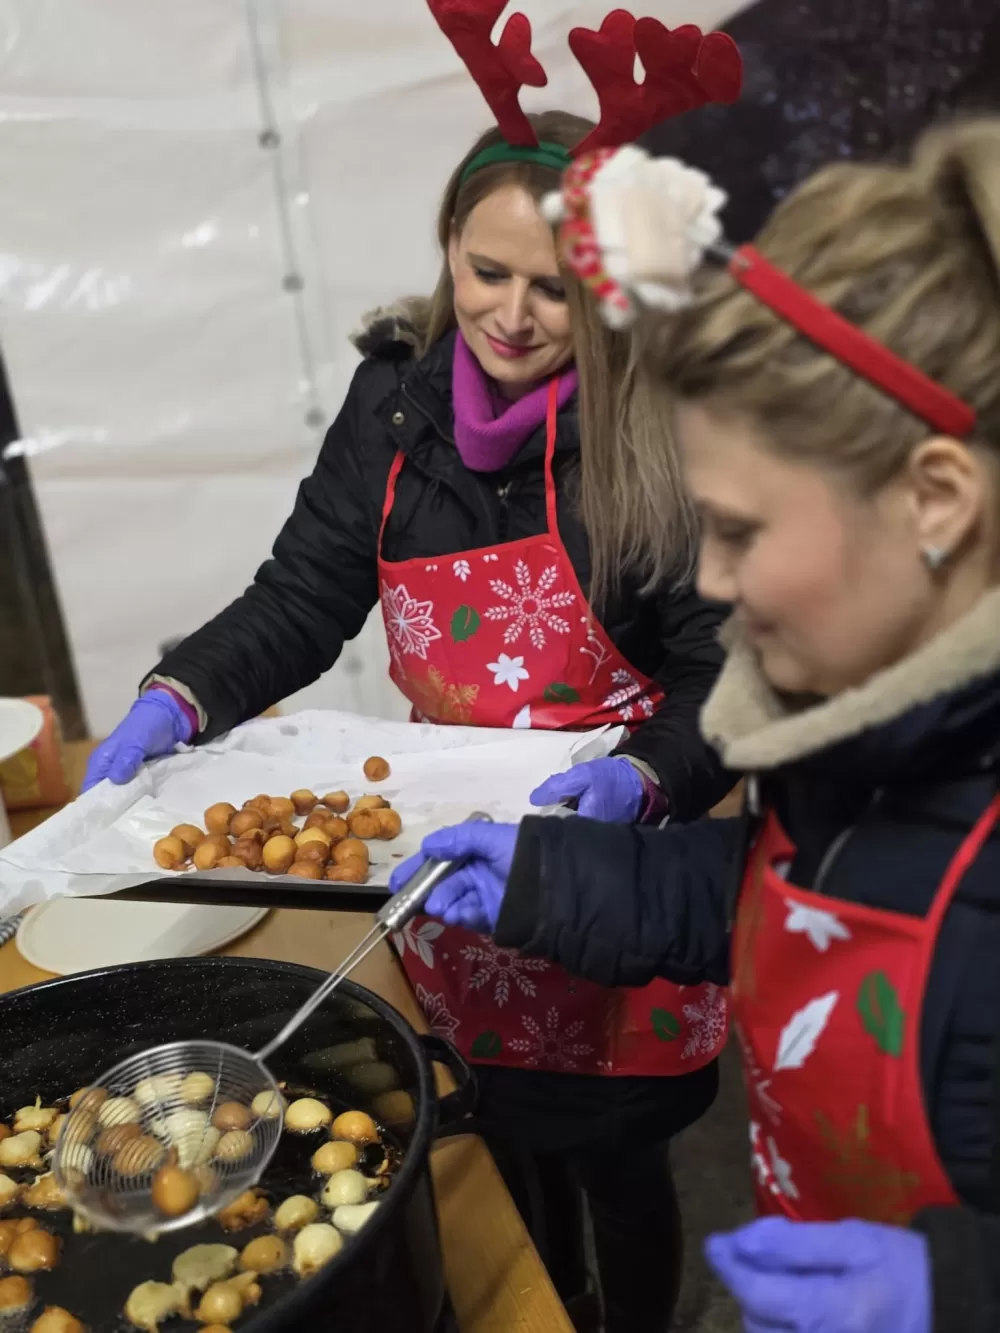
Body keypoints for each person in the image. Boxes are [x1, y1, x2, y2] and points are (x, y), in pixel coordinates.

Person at [84, 101, 737, 1329]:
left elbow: (726, 670)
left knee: (619, 1158)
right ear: (445, 246)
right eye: (486, 271)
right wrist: (184, 693)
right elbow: (303, 592)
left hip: (612, 872)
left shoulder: (657, 429)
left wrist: (645, 777)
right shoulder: (394, 403)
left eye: (553, 288)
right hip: (449, 871)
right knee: (497, 1135)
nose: (511, 313)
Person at [393, 117, 1000, 1333]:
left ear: (933, 497)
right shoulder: (854, 737)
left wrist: (965, 1290)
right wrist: (557, 878)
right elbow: (792, 902)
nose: (710, 584)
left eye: (738, 530)